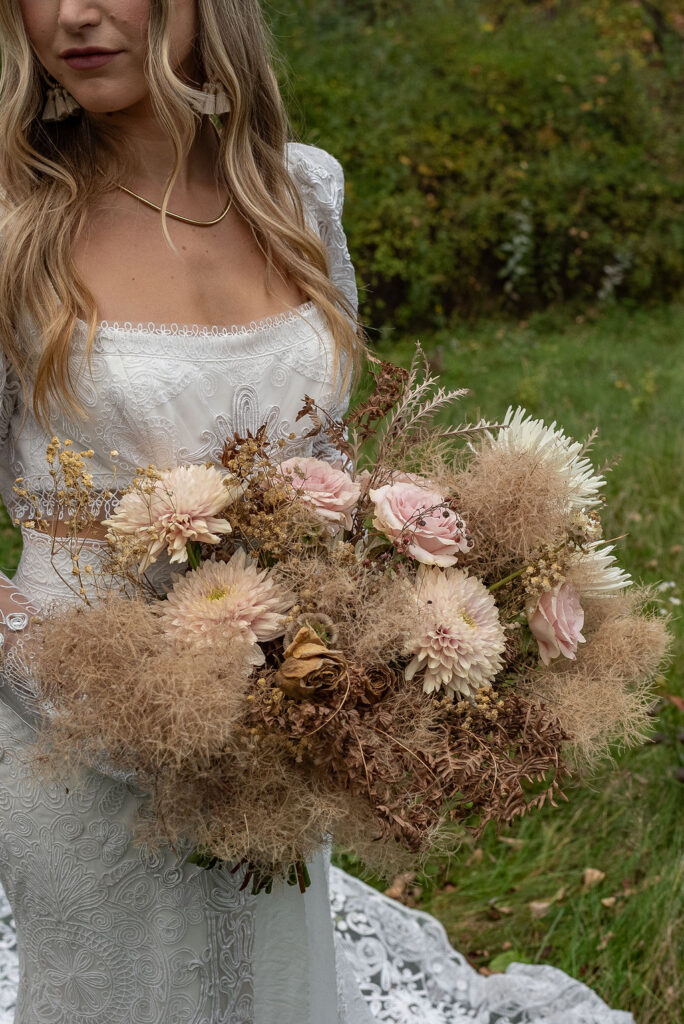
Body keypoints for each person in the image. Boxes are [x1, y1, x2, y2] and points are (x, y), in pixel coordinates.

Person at [0, 2, 636, 1022]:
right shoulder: (12, 217)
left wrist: (369, 629)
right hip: (73, 725)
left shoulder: (301, 190)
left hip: (291, 714)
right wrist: (70, 687)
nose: (75, 13)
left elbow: (325, 446)